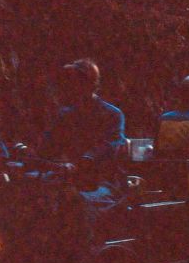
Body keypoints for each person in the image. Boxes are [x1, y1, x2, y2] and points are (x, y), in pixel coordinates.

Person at [39, 59, 126, 242]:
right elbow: (48, 146)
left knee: (78, 203)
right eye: (69, 81)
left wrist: (85, 160)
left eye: (76, 81)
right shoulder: (65, 115)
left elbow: (109, 146)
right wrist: (29, 153)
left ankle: (83, 254)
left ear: (91, 84)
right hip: (68, 179)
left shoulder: (112, 115)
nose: (70, 86)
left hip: (103, 183)